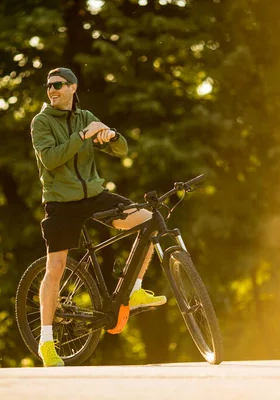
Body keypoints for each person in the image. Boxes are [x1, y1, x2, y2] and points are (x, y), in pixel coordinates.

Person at [30, 67, 166, 367]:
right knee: (56, 266)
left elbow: (122, 149)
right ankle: (46, 341)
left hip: (94, 195)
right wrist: (82, 136)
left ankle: (135, 290)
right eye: (48, 86)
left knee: (149, 221)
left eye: (58, 85)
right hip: (61, 202)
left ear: (73, 88)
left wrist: (111, 136)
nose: (52, 90)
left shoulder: (86, 116)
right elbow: (51, 160)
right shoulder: (41, 122)